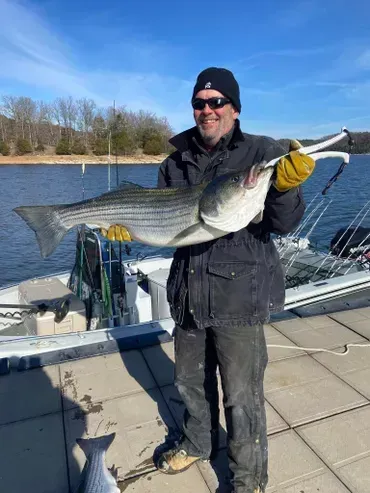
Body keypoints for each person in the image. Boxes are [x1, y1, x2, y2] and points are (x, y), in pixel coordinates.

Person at [104, 67, 315, 493]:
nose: (208, 110)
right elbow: (166, 230)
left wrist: (285, 188)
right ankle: (199, 442)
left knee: (241, 395)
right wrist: (130, 225)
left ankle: (248, 479)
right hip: (187, 290)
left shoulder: (261, 153)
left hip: (240, 293)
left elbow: (285, 223)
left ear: (235, 109)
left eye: (217, 102)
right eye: (200, 103)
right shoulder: (175, 162)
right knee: (188, 381)